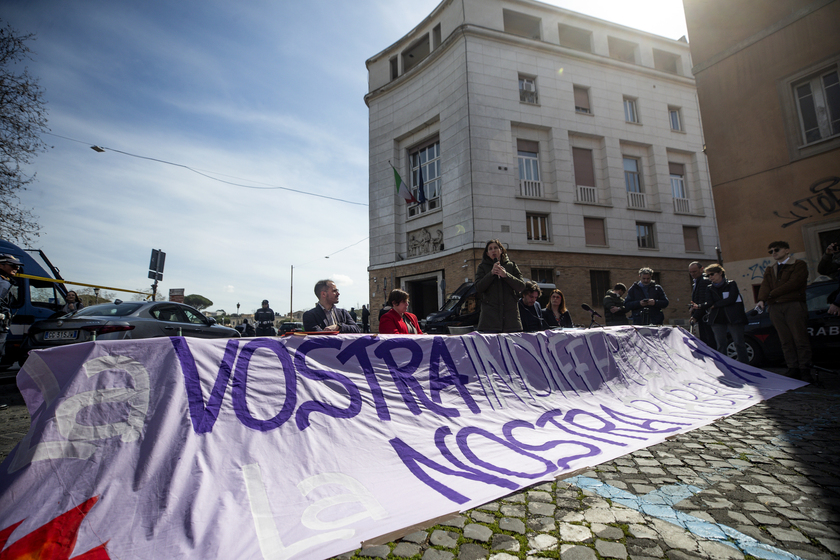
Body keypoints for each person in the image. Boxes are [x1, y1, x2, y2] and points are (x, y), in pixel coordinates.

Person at [756, 241, 811, 379]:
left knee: (800, 338)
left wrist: (771, 294)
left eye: (777, 250)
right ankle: (792, 367)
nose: (774, 253)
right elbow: (765, 285)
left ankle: (805, 368)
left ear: (787, 250)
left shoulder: (798, 264)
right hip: (775, 306)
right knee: (785, 340)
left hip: (793, 304)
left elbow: (794, 283)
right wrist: (762, 299)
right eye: (771, 251)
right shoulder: (771, 268)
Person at [474, 239, 525, 333]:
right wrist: (491, 274)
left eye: (496, 248)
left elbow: (521, 286)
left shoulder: (511, 266)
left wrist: (506, 275)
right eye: (490, 249)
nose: (493, 250)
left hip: (511, 321)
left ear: (501, 250)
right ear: (487, 253)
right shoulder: (482, 267)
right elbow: (478, 287)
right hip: (490, 322)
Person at [703, 264, 749, 363]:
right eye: (708, 275)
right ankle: (724, 366)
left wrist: (716, 304)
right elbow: (709, 302)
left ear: (720, 273)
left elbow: (731, 299)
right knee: (720, 344)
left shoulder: (731, 284)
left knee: (739, 343)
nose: (710, 277)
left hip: (734, 318)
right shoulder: (709, 288)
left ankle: (745, 365)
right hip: (717, 319)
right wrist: (707, 305)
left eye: (712, 274)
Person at [0, 254, 23, 363]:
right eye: (13, 265)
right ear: (1, 265)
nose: (17, 268)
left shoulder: (5, 281)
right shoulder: (2, 282)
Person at [688, 262, 715, 347]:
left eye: (694, 271)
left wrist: (695, 316)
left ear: (701, 269)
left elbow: (702, 301)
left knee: (709, 341)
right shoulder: (696, 282)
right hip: (701, 316)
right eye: (691, 272)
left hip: (705, 316)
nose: (692, 274)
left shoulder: (704, 281)